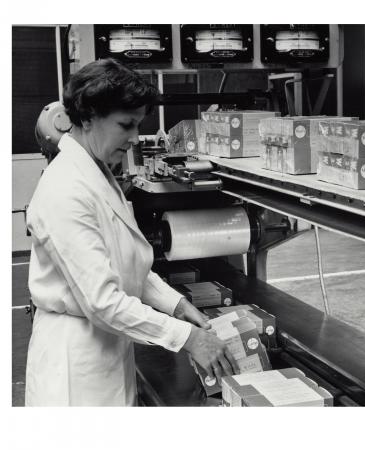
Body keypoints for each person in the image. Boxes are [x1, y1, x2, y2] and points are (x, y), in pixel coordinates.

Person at [25, 58, 237, 406]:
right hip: (74, 366)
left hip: (104, 350)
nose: (136, 137)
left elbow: (125, 261)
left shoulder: (97, 173)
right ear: (89, 116)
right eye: (126, 125)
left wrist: (178, 304)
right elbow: (103, 301)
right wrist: (188, 339)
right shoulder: (66, 189)